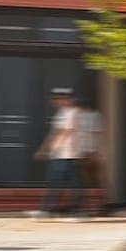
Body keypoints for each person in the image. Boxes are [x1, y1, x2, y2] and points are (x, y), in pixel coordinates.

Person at [30, 88, 84, 220]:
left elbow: (65, 132)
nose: (56, 101)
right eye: (55, 99)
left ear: (67, 99)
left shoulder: (72, 112)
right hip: (63, 153)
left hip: (66, 153)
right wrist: (45, 148)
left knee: (58, 182)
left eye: (59, 98)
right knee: (70, 182)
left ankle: (48, 210)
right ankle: (75, 210)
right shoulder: (62, 112)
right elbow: (54, 132)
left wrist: (53, 148)